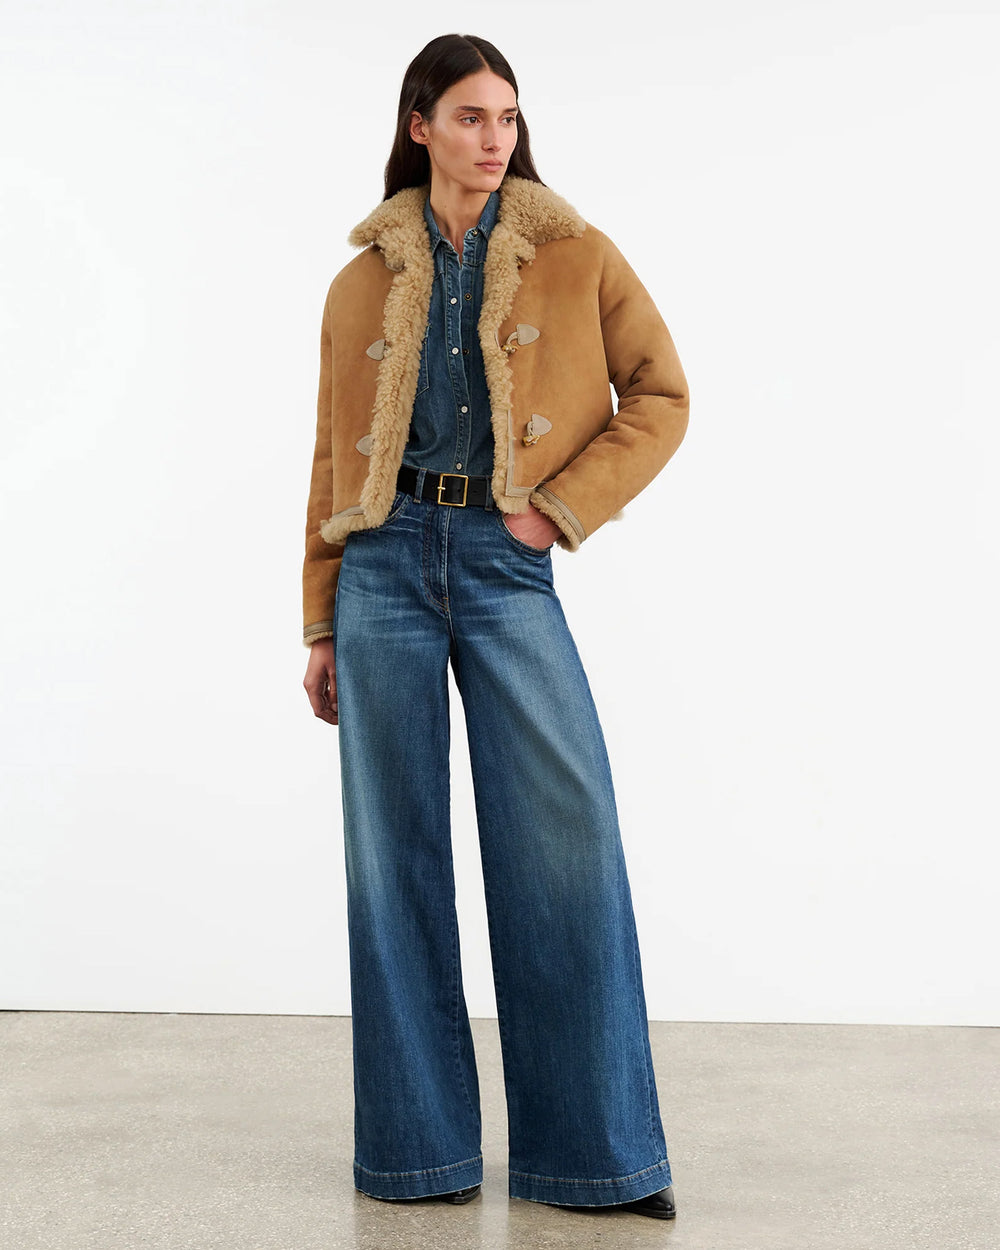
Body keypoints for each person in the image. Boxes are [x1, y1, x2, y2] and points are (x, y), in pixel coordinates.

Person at [301, 33, 689, 1222]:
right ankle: (418, 1154)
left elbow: (662, 394)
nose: (493, 137)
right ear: (419, 124)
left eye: (508, 117)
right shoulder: (361, 279)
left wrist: (553, 512)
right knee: (392, 861)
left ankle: (597, 1159)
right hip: (381, 567)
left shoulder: (576, 253)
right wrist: (318, 617)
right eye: (470, 116)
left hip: (504, 561)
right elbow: (328, 459)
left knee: (564, 844)